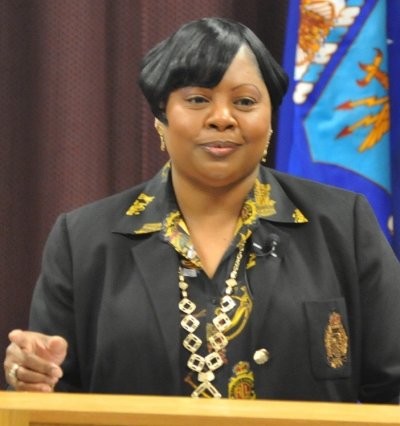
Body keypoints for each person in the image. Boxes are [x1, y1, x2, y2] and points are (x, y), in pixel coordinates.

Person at [3, 17, 400, 403]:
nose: (222, 118)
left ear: (270, 118)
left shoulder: (341, 225)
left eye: (244, 101)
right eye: (197, 100)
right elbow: (51, 396)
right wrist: (30, 379)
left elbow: (392, 386)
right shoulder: (84, 239)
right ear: (162, 116)